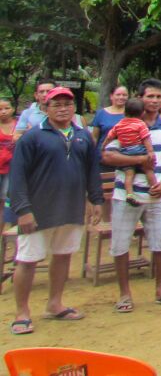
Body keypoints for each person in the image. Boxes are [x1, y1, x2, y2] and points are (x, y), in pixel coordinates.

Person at [8, 86, 103, 334]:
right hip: (38, 211)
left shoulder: (83, 136)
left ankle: (55, 304)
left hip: (71, 208)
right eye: (56, 105)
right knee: (27, 260)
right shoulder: (32, 137)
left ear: (74, 107)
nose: (63, 109)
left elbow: (92, 169)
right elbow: (17, 176)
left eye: (67, 104)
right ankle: (22, 313)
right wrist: (23, 210)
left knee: (63, 255)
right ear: (45, 108)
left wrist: (96, 199)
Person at [101, 78, 161, 311]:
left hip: (157, 196)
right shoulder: (125, 125)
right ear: (140, 98)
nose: (154, 101)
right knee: (120, 245)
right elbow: (107, 156)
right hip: (126, 195)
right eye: (150, 96)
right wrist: (140, 159)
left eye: (158, 96)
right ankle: (125, 294)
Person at [102, 98, 159, 207]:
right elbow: (146, 138)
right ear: (142, 113)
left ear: (124, 112)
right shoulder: (140, 124)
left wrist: (103, 146)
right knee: (149, 170)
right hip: (139, 150)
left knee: (129, 174)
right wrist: (150, 151)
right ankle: (155, 188)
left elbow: (109, 137)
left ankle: (129, 194)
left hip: (126, 152)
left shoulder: (119, 125)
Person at [89, 84, 129, 154]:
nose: (121, 97)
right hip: (102, 154)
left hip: (125, 156)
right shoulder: (101, 113)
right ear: (111, 96)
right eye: (118, 95)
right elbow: (94, 137)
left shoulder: (132, 114)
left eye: (124, 95)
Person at [0, 98, 17, 230]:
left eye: (6, 108)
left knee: (9, 201)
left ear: (13, 109)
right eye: (0, 109)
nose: (3, 111)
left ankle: (11, 233)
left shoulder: (20, 125)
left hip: (13, 169)